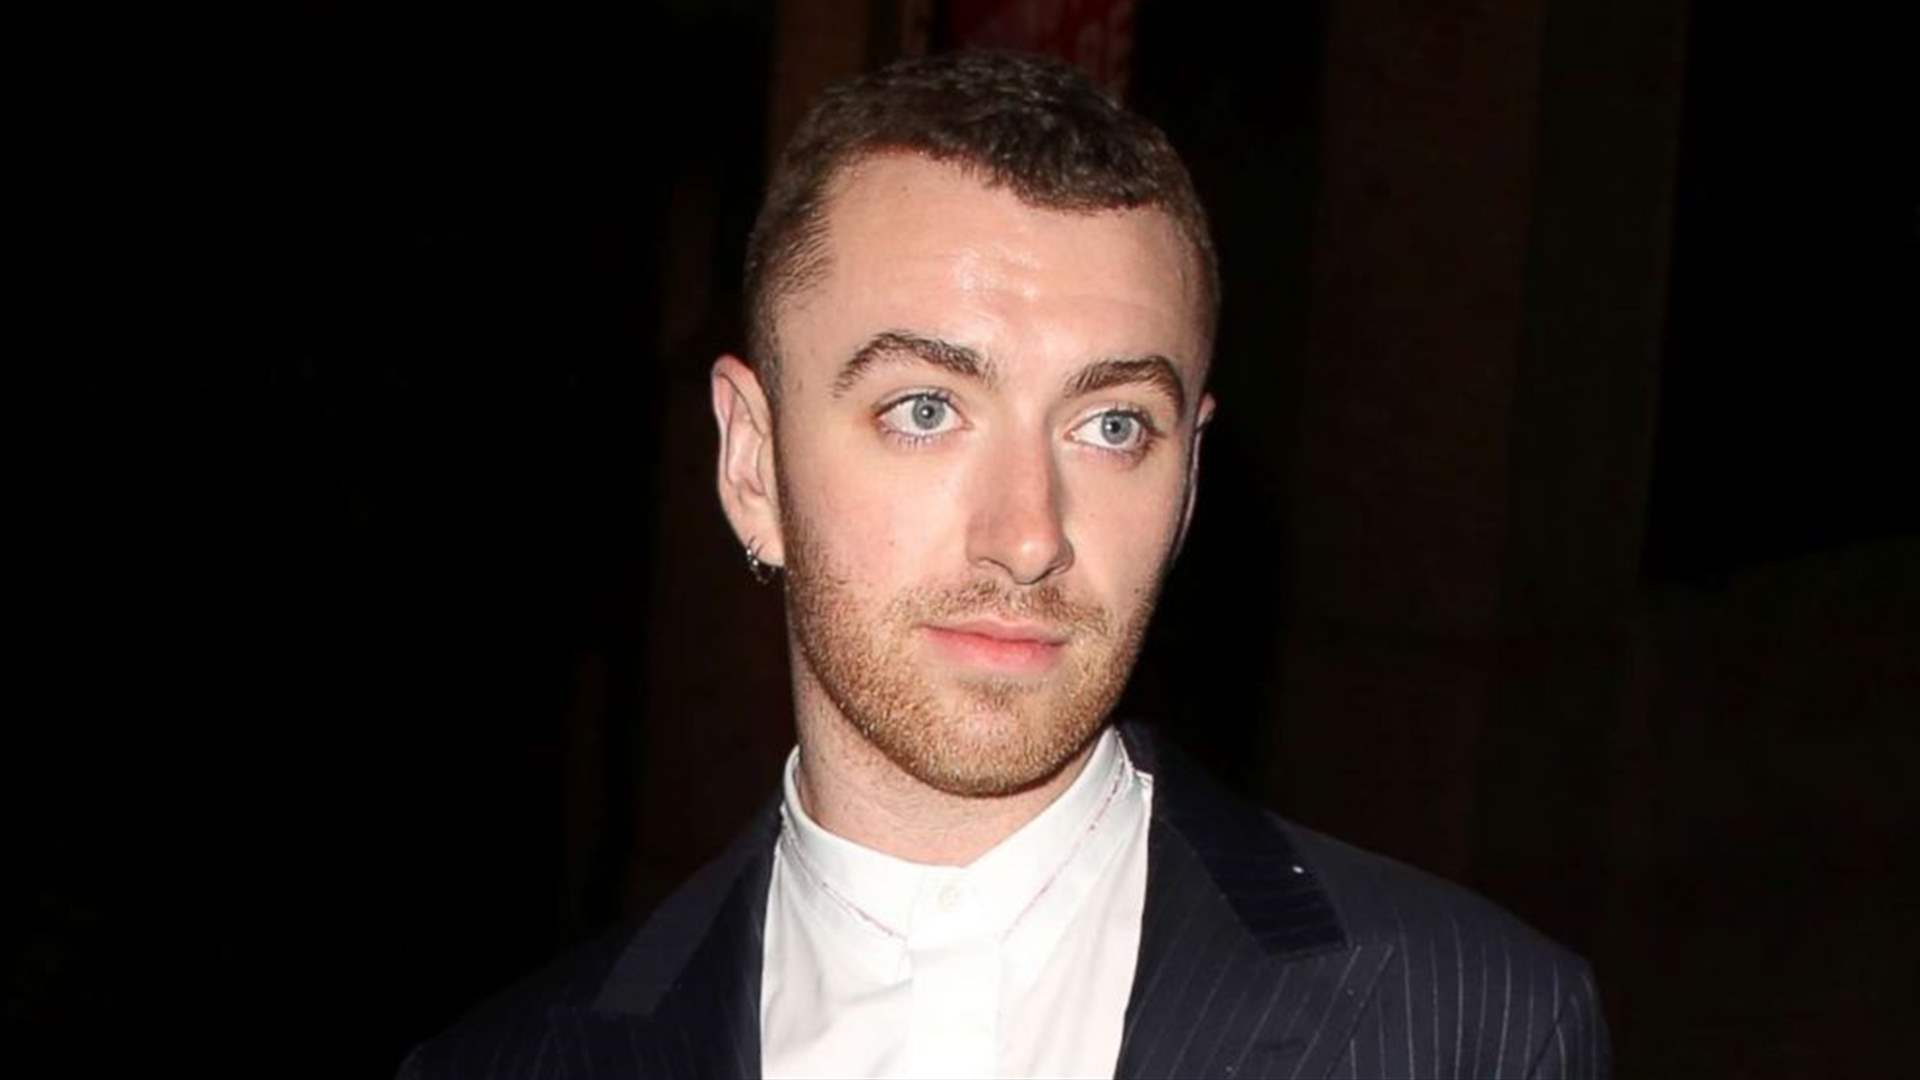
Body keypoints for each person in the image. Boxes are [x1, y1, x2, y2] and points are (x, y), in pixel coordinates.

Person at [400, 51, 1608, 1079]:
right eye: (926, 410)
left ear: (1188, 481)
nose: (1028, 535)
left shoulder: (1476, 1028)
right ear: (753, 463)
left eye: (1112, 426)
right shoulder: (507, 1064)